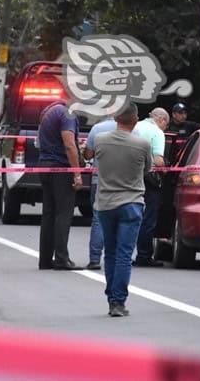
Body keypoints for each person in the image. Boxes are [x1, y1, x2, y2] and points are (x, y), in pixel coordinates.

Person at [95, 103, 152, 317]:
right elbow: (147, 169)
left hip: (106, 204)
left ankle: (112, 297)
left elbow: (92, 157)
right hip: (131, 203)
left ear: (116, 118)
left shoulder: (101, 140)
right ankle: (118, 301)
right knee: (124, 254)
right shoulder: (143, 144)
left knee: (109, 251)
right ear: (135, 120)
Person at [36, 100, 84, 270]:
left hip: (45, 165)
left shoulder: (50, 111)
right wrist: (77, 173)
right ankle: (62, 259)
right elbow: (69, 145)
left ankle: (45, 259)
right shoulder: (67, 115)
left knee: (49, 214)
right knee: (64, 213)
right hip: (60, 168)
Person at [132, 108, 169, 267]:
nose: (165, 128)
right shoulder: (157, 132)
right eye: (166, 125)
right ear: (161, 120)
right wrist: (166, 168)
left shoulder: (135, 127)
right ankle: (144, 255)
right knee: (149, 218)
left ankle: (123, 254)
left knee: (130, 215)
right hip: (149, 178)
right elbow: (158, 160)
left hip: (130, 176)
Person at [83, 117, 117, 270]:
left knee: (99, 219)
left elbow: (88, 155)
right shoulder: (134, 130)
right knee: (121, 220)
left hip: (100, 180)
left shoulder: (97, 128)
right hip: (124, 183)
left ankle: (95, 259)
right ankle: (116, 258)